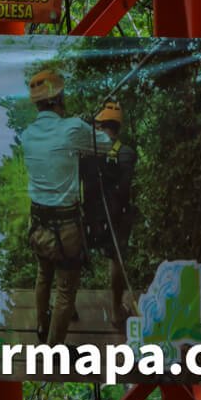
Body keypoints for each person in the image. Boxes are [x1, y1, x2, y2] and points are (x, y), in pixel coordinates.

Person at [17, 65, 109, 345]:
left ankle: (41, 329)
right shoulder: (73, 128)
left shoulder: (28, 135)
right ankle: (53, 349)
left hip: (39, 225)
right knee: (66, 290)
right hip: (66, 226)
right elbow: (105, 144)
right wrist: (89, 127)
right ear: (58, 98)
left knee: (44, 275)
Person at [81, 100, 138, 327]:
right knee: (116, 260)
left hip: (91, 215)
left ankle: (67, 307)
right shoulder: (126, 153)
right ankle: (115, 310)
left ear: (100, 126)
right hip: (116, 216)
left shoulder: (87, 153)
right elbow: (125, 188)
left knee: (73, 261)